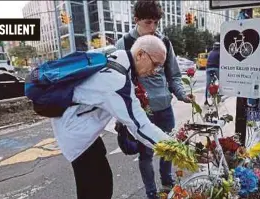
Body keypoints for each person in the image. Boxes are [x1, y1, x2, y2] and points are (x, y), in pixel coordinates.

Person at [51, 35, 173, 199]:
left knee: (97, 183)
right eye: (155, 64)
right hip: (76, 134)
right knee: (98, 189)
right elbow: (141, 126)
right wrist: (176, 149)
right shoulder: (117, 79)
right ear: (140, 55)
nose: (155, 71)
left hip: (77, 127)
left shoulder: (116, 59)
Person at [115, 1, 192, 198]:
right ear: (136, 20)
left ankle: (167, 182)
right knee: (146, 153)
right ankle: (151, 193)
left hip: (164, 107)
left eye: (156, 23)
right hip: (141, 110)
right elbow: (117, 81)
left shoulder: (164, 42)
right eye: (148, 22)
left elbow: (173, 75)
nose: (153, 28)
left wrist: (182, 94)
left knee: (169, 147)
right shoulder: (124, 44)